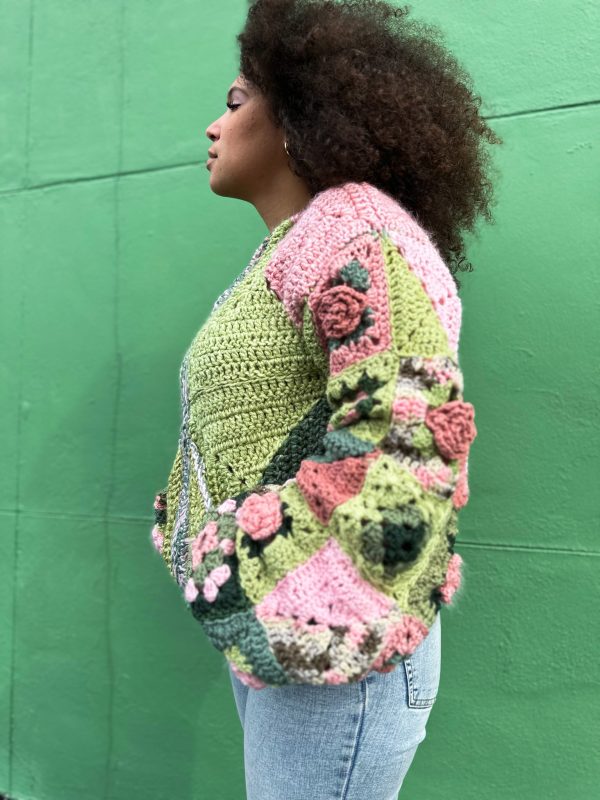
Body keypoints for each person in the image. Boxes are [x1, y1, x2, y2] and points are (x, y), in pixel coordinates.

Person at [152, 1, 502, 797]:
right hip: (298, 636)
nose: (213, 125)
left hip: (341, 644)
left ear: (298, 117)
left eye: (237, 101)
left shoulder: (353, 229)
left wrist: (258, 570)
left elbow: (406, 433)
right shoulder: (298, 244)